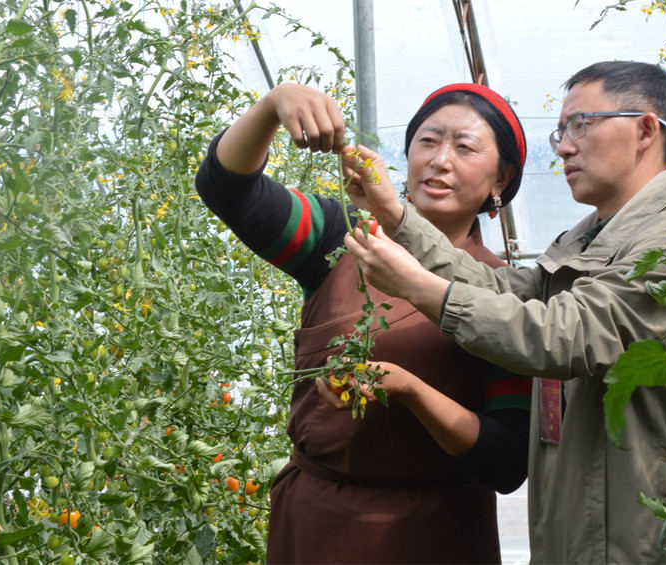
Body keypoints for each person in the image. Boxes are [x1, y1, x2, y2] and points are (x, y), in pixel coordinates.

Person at [342, 61, 666, 564]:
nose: (563, 146)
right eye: (562, 130)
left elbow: (570, 335)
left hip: (640, 543)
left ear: (645, 129)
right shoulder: (586, 236)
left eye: (581, 124)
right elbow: (501, 290)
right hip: (574, 537)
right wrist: (398, 217)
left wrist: (418, 287)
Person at [195, 82, 532, 564]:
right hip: (317, 526)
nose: (440, 159)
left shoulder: (508, 295)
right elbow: (226, 187)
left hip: (437, 534)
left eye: (464, 147)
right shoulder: (342, 238)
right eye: (428, 140)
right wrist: (273, 104)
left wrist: (410, 389)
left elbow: (507, 462)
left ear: (501, 180)